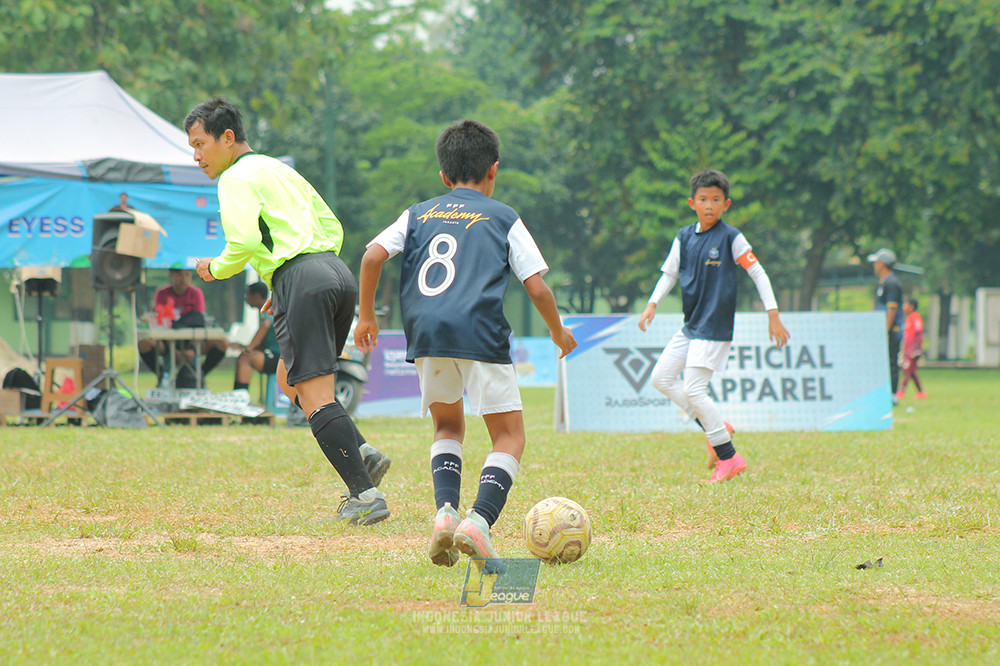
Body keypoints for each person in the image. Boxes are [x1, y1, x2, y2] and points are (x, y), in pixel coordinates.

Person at [354, 119, 577, 567]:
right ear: (493, 170)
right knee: (510, 435)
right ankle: (478, 521)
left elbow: (372, 254)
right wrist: (558, 332)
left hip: (427, 331)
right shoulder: (503, 216)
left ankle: (444, 515)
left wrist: (365, 315)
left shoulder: (418, 212)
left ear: (443, 175)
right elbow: (536, 287)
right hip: (478, 331)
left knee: (447, 427)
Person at [186, 97, 391, 524]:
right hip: (337, 273)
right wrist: (294, 277)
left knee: (314, 396)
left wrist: (213, 269)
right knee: (289, 378)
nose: (197, 155)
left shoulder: (234, 178)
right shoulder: (281, 169)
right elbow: (332, 226)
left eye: (201, 143)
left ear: (228, 138)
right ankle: (364, 453)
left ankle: (365, 495)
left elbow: (241, 243)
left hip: (304, 279)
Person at [638, 169, 790, 482]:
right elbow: (669, 274)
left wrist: (772, 314)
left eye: (716, 200)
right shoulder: (683, 237)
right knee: (661, 378)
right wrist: (652, 303)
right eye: (704, 199)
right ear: (692, 202)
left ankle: (729, 456)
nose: (710, 205)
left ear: (727, 204)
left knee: (694, 389)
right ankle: (716, 428)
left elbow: (758, 273)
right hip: (691, 325)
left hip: (715, 326)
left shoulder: (732, 238)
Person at [137, 267, 228, 388]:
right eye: (179, 275)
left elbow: (198, 323)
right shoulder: (162, 294)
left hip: (192, 339)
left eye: (187, 275)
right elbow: (163, 322)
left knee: (223, 343)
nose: (183, 279)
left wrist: (192, 348)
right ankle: (161, 374)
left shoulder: (196, 293)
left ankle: (200, 374)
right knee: (144, 344)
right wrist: (173, 350)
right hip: (168, 339)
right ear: (171, 275)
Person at [868, 248, 904, 402]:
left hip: (891, 330)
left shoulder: (892, 284)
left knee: (891, 361)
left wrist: (886, 331)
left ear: (883, 264)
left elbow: (892, 309)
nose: (874, 265)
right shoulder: (883, 283)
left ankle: (892, 395)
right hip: (883, 330)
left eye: (876, 262)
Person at [232, 282, 281, 392]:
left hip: (281, 358)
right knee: (244, 355)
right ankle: (238, 394)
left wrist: (249, 349)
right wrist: (247, 347)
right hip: (275, 355)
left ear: (257, 296)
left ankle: (240, 396)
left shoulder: (269, 309)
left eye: (247, 295)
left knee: (245, 358)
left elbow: (265, 325)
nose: (246, 299)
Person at [897, 297, 927, 399]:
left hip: (913, 350)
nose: (903, 307)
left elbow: (918, 334)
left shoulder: (915, 317)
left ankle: (901, 392)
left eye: (905, 305)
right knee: (911, 371)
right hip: (908, 349)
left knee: (906, 369)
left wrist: (917, 349)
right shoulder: (909, 318)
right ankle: (921, 392)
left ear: (911, 306)